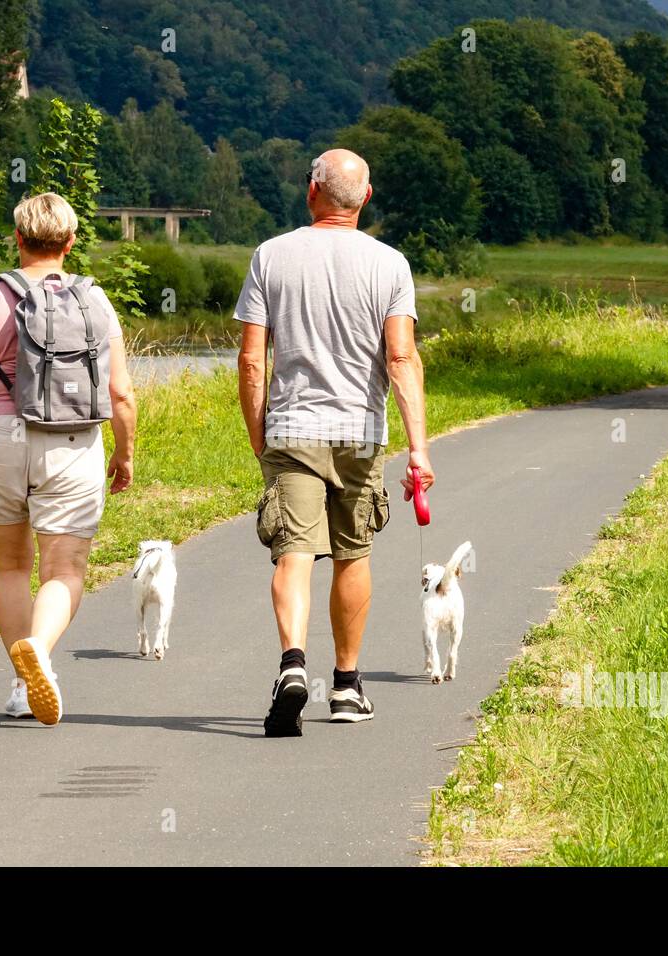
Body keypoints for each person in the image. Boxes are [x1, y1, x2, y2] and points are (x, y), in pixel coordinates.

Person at [235, 148, 435, 737]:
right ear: (366, 199)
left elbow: (252, 360)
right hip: (360, 433)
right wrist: (418, 449)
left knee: (294, 551)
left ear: (310, 192)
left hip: (293, 429)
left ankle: (293, 665)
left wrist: (259, 436)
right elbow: (400, 357)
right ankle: (346, 686)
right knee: (352, 552)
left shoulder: (270, 256)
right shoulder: (391, 264)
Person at [0, 192, 136, 726]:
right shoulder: (96, 301)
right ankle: (39, 650)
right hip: (70, 441)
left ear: (17, 239)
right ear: (70, 243)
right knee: (64, 568)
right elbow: (121, 395)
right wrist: (125, 453)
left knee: (10, 565)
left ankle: (24, 686)